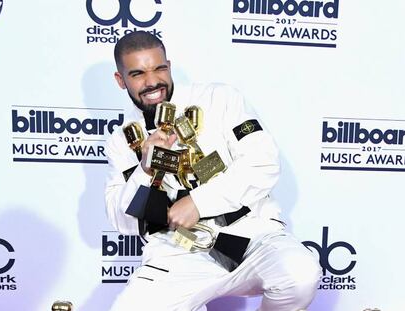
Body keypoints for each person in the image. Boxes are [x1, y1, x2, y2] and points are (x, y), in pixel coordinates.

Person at [105, 31, 320, 311]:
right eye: (138, 74)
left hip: (251, 234)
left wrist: (198, 202)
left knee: (299, 273)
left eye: (159, 68)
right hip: (179, 250)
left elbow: (263, 162)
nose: (152, 81)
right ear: (121, 80)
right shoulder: (122, 140)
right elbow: (122, 221)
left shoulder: (219, 99)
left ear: (169, 67)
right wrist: (145, 170)